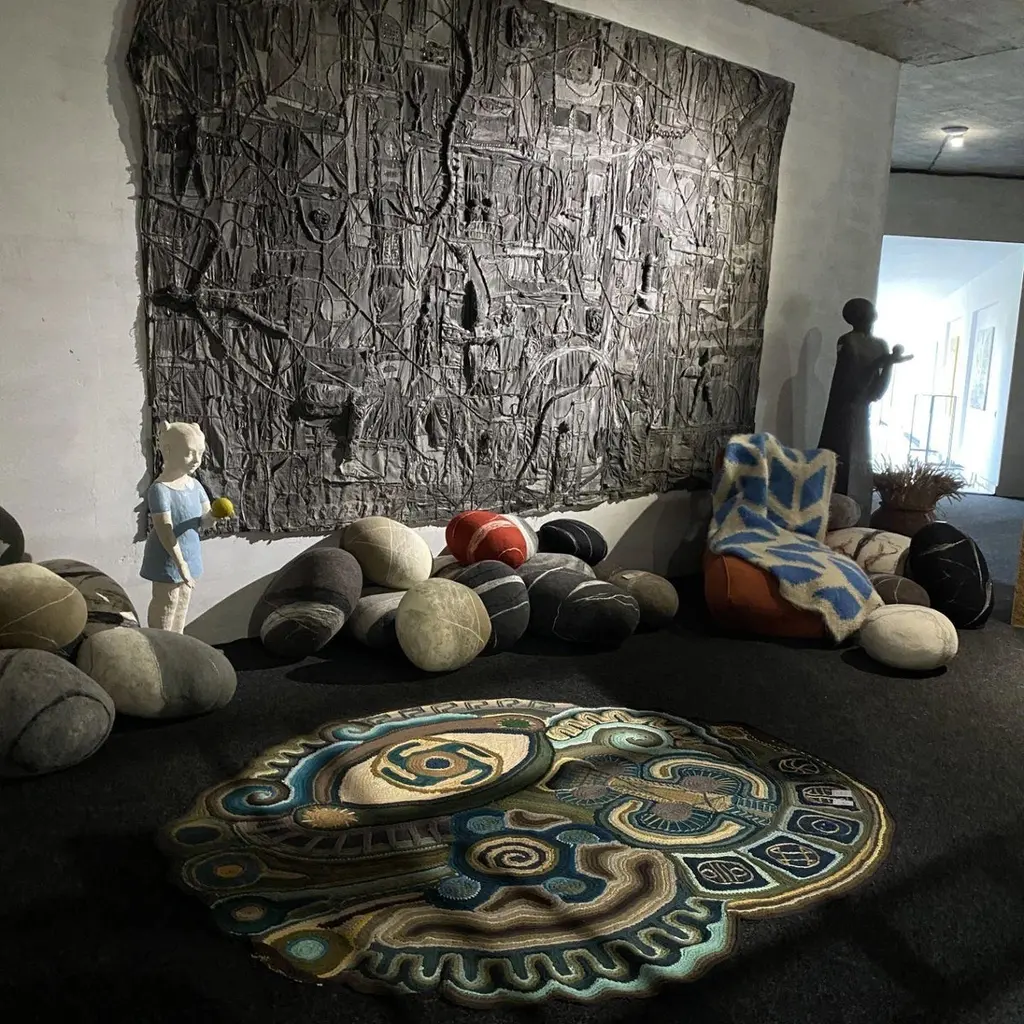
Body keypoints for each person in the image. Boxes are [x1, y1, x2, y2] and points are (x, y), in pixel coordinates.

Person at [819, 299, 912, 523]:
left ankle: (858, 514)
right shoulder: (848, 341)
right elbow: (847, 382)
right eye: (866, 312)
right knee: (841, 454)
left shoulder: (880, 344)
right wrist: (881, 363)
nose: (871, 315)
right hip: (844, 408)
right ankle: (834, 514)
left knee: (859, 457)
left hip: (861, 407)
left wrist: (887, 364)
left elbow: (876, 390)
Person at [140, 421, 234, 632]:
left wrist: (215, 516)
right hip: (167, 556)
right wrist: (180, 564)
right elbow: (165, 531)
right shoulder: (160, 490)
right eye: (190, 453)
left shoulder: (195, 485)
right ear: (167, 450)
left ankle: (178, 642)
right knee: (168, 601)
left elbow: (203, 522)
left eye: (200, 453)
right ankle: (161, 643)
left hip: (189, 552)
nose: (196, 460)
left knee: (183, 601)